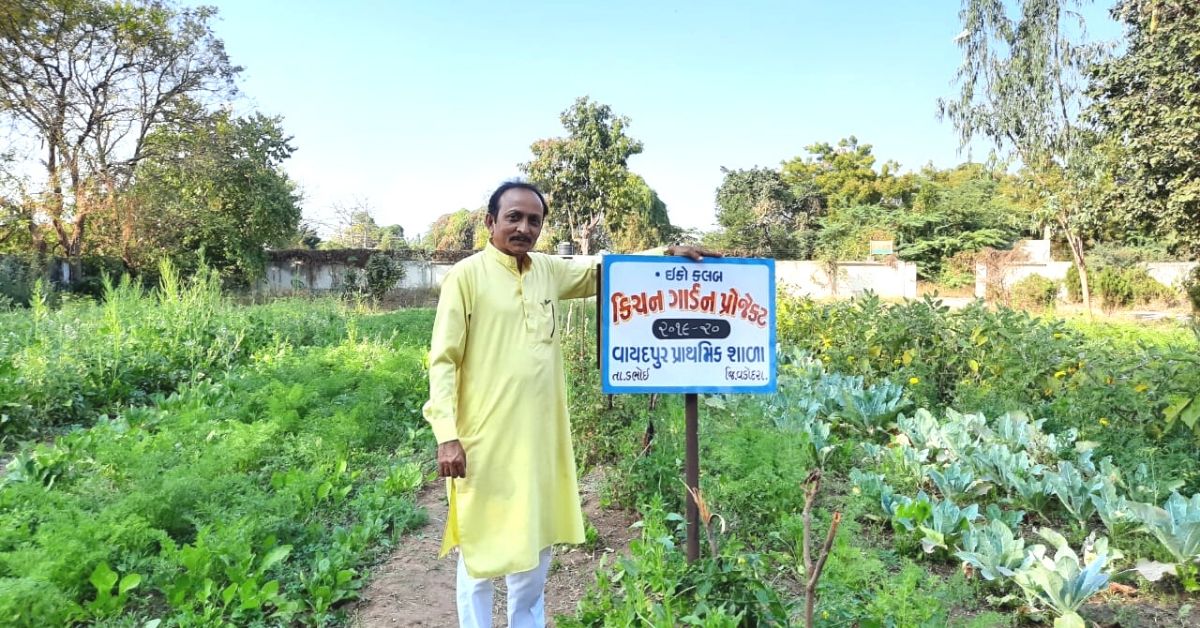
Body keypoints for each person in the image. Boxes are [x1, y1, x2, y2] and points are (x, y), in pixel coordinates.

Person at [423, 180, 715, 627]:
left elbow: (605, 271)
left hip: (540, 438)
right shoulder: (466, 277)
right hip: (480, 439)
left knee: (535, 542)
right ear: (490, 222)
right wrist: (448, 436)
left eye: (533, 220)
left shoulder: (546, 270)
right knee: (479, 549)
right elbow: (443, 362)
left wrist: (665, 253)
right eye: (513, 218)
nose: (523, 228)